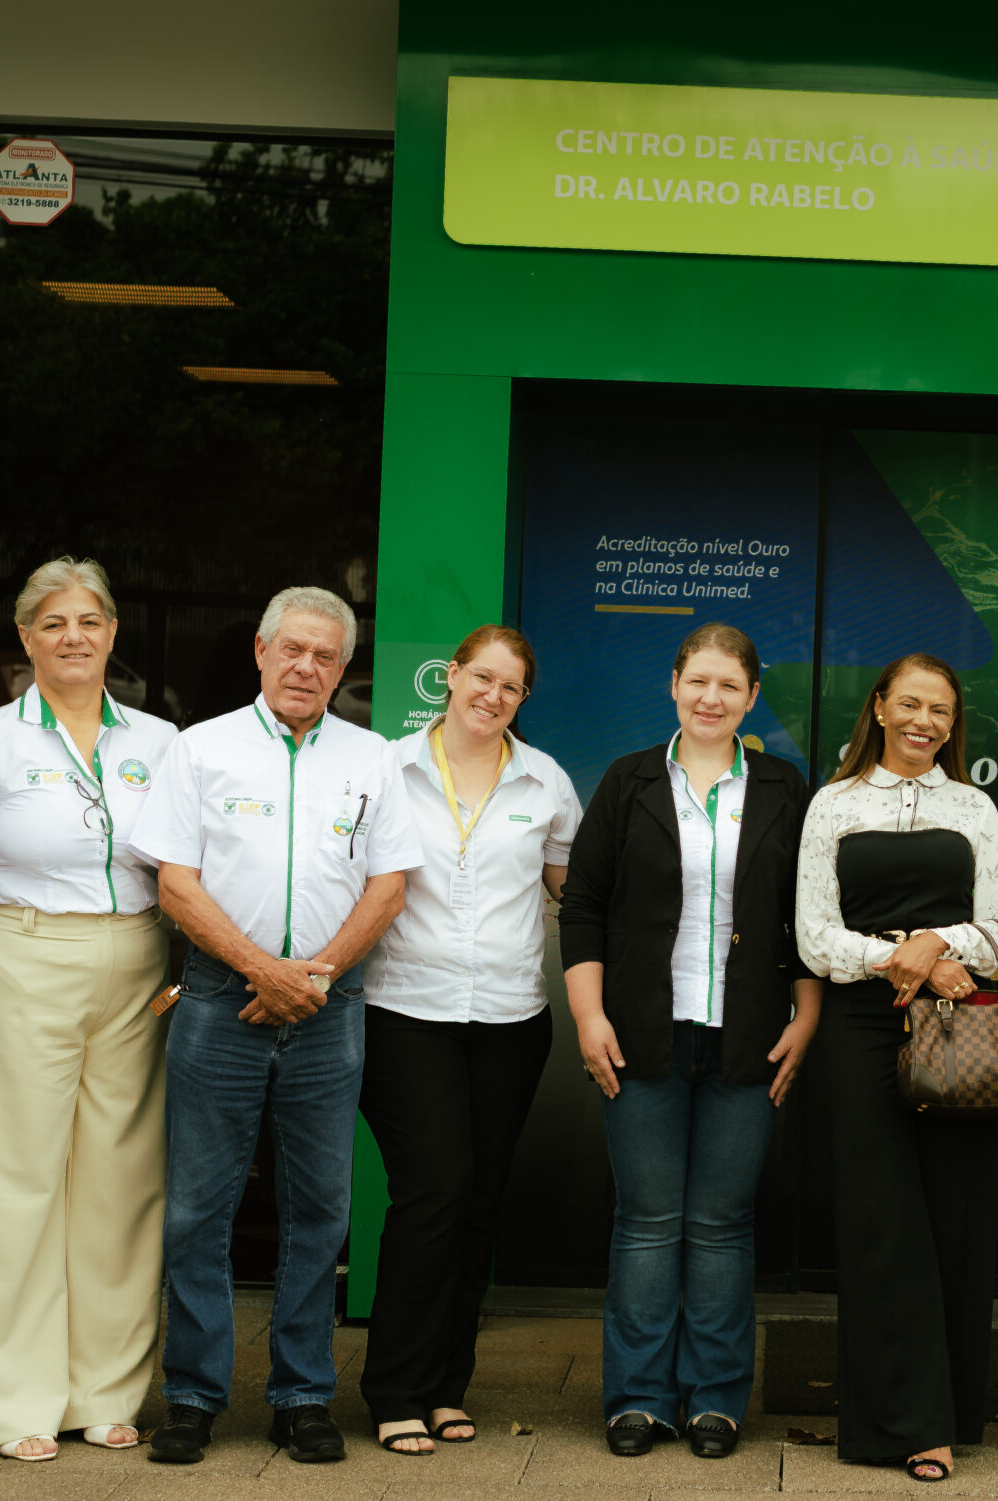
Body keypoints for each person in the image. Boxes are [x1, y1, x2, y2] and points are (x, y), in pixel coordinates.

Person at [126, 585, 418, 1466]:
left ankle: (301, 1396)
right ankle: (193, 1395)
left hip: (328, 1010)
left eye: (327, 656)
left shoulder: (373, 758)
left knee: (320, 1211)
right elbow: (176, 883)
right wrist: (263, 971)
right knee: (199, 1211)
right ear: (259, 650)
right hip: (220, 999)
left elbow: (389, 887)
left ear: (343, 668)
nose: (308, 667)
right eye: (293, 649)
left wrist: (313, 977)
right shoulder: (199, 748)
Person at [0, 557, 180, 1460]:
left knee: (119, 1182)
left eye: (89, 620)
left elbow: (182, 867)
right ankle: (12, 1403)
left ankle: (106, 1392)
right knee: (16, 1179)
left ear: (113, 633)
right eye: (53, 622)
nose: (73, 636)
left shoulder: (159, 739)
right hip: (26, 946)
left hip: (137, 959)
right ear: (27, 637)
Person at [560, 622, 822, 1460]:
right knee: (646, 1221)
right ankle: (637, 1398)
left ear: (752, 694)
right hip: (641, 1035)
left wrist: (806, 1015)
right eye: (697, 680)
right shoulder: (628, 779)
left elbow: (804, 918)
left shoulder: (784, 786)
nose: (711, 697)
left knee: (719, 1225)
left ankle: (714, 1398)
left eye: (729, 685)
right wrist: (589, 1015)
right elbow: (583, 906)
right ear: (674, 682)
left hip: (746, 1038)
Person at [795, 653, 998, 1483]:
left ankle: (951, 1413)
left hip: (962, 1023)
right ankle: (903, 1422)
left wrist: (941, 946)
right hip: (863, 1027)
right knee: (881, 1219)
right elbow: (814, 936)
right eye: (912, 704)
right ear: (882, 708)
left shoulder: (973, 807)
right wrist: (908, 956)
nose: (927, 721)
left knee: (956, 1215)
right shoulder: (835, 804)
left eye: (943, 711)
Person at [357, 624, 582, 1456]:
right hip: (405, 1010)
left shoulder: (544, 780)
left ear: (524, 698)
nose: (493, 695)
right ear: (450, 677)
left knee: (479, 1203)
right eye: (481, 677)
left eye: (511, 686)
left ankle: (447, 1386)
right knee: (436, 1190)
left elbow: (574, 890)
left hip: (510, 1020)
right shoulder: (388, 767)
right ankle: (394, 1388)